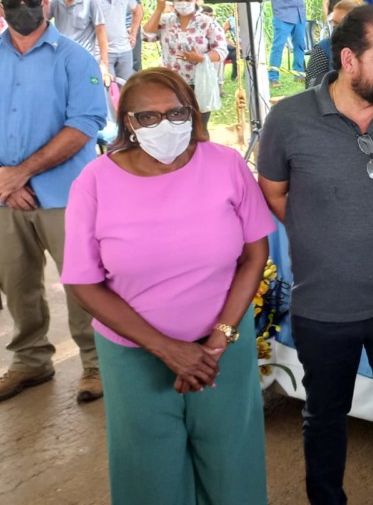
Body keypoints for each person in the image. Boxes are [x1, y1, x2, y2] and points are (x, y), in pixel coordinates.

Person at [61, 68, 274, 504]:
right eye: (149, 117)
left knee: (233, 461)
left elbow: (255, 255)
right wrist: (166, 349)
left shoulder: (226, 165)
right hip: (134, 354)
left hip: (223, 347)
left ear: (192, 113)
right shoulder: (94, 182)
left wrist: (220, 337)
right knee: (150, 471)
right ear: (129, 123)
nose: (166, 125)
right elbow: (84, 282)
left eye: (176, 113)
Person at [258, 6, 373, 505]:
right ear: (349, 59)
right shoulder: (288, 119)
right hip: (324, 308)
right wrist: (326, 238)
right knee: (324, 416)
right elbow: (274, 193)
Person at [0, 0, 107, 404]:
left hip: (66, 195)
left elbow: (85, 123)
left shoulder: (73, 57)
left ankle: (97, 364)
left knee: (83, 283)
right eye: (11, 2)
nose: (22, 8)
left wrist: (20, 173)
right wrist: (6, 183)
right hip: (6, 197)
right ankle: (30, 361)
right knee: (16, 283)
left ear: (45, 1)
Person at [142, 0, 227, 127]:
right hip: (173, 83)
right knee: (176, 124)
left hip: (199, 82)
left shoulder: (206, 22)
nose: (183, 3)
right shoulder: (166, 20)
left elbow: (221, 50)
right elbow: (146, 36)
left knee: (199, 125)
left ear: (196, 0)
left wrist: (202, 58)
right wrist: (159, 10)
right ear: (173, 0)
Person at [47, 0, 111, 85]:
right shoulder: (56, 2)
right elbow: (39, 21)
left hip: (84, 60)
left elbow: (101, 32)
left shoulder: (90, 0)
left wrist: (104, 64)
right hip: (62, 60)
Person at [83, 0, 142, 82]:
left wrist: (133, 33)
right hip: (100, 51)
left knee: (127, 86)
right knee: (108, 87)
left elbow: (137, 11)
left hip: (124, 49)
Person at [269, 0, 308, 85]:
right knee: (278, 46)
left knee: (300, 45)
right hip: (283, 14)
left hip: (299, 14)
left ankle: (299, 73)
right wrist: (278, 9)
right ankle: (273, 77)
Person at [305, 0, 364, 89]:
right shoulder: (323, 48)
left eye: (340, 24)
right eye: (334, 24)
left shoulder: (367, 48)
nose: (335, 28)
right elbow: (312, 86)